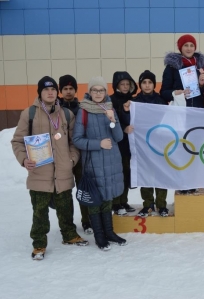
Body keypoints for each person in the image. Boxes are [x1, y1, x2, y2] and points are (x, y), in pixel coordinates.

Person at [11, 76, 88, 260]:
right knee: (40, 212)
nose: (50, 92)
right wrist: (23, 160)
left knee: (65, 208)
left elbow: (73, 142)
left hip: (63, 172)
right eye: (46, 90)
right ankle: (39, 244)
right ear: (40, 93)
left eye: (53, 89)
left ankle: (69, 235)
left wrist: (72, 159)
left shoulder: (66, 114)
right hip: (40, 173)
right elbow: (17, 141)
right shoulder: (29, 114)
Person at [72, 76, 126, 250]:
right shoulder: (84, 111)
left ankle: (109, 232)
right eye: (94, 90)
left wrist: (113, 120)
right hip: (93, 163)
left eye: (101, 90)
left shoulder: (110, 108)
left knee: (108, 197)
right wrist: (98, 144)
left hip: (111, 161)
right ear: (89, 92)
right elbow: (77, 140)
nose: (98, 93)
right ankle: (99, 236)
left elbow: (118, 137)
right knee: (96, 199)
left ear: (105, 91)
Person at [160, 34, 204, 195]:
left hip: (197, 113)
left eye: (191, 45)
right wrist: (175, 92)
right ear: (180, 48)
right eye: (185, 45)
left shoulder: (201, 66)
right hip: (180, 114)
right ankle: (182, 182)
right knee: (181, 149)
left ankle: (194, 180)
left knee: (196, 148)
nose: (189, 48)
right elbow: (163, 92)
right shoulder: (172, 67)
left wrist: (202, 84)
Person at [124, 70, 169, 218]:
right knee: (146, 173)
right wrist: (126, 111)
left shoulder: (161, 100)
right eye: (144, 82)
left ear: (154, 85)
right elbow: (127, 119)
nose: (147, 85)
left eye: (150, 82)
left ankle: (162, 205)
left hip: (159, 143)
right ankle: (148, 204)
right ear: (140, 84)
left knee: (161, 174)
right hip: (142, 144)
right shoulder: (134, 102)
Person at [58, 74, 93, 235]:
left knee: (83, 188)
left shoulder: (82, 108)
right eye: (65, 89)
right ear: (61, 90)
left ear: (76, 90)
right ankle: (67, 224)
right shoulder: (55, 109)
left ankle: (87, 221)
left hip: (79, 156)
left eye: (71, 88)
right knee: (64, 192)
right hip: (61, 156)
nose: (68, 91)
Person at [109, 71, 138, 215]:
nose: (126, 87)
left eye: (128, 84)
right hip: (116, 144)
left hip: (129, 144)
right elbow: (109, 122)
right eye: (122, 84)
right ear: (116, 85)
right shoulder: (110, 100)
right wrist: (122, 129)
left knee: (126, 172)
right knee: (117, 174)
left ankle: (123, 200)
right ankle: (115, 202)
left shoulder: (134, 100)